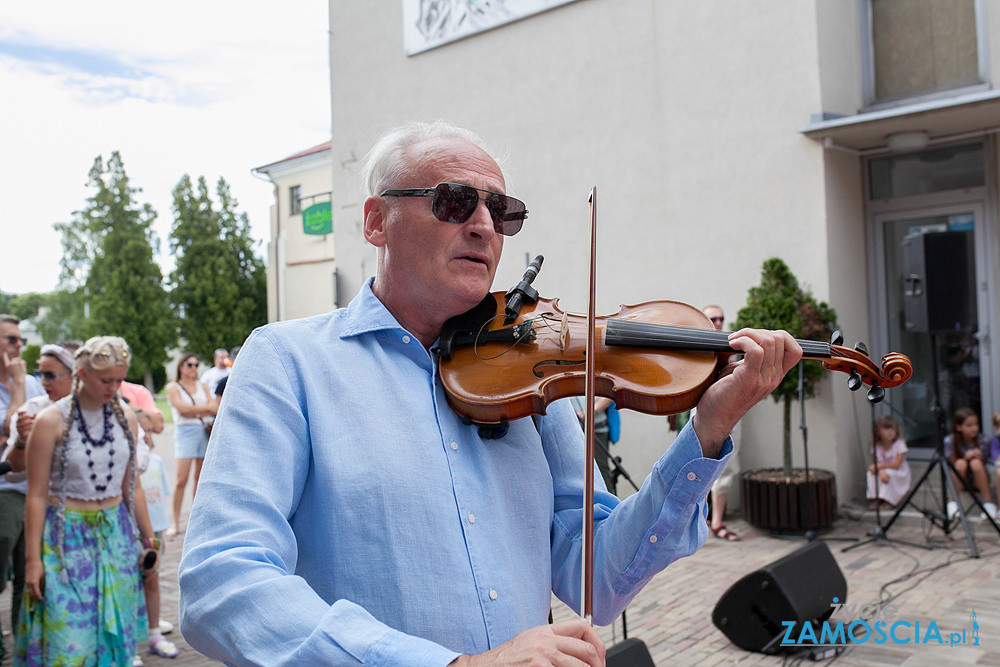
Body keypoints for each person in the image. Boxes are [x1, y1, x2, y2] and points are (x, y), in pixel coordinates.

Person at [178, 120, 801, 666]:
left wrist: (707, 432)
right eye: (454, 202)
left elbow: (600, 580)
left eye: (502, 212)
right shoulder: (290, 361)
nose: (483, 225)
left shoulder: (530, 378)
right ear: (377, 221)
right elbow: (222, 582)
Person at [16, 336, 156, 665]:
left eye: (119, 380)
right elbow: (35, 496)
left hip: (115, 534)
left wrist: (148, 537)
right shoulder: (51, 421)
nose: (114, 387)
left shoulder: (126, 418)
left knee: (114, 634)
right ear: (81, 373)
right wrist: (33, 560)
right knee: (69, 638)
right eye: (106, 380)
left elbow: (131, 485)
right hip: (65, 539)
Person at [0, 342, 78, 649]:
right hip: (34, 505)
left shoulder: (92, 409)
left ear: (74, 376)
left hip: (76, 515)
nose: (43, 382)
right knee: (28, 580)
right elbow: (14, 470)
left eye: (50, 375)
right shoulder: (33, 409)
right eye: (40, 374)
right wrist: (23, 440)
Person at [0, 316, 46, 651]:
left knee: (24, 574)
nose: (19, 346)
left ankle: (19, 643)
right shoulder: (22, 383)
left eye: (20, 340)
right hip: (4, 490)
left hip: (31, 487)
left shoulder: (34, 383)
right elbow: (9, 432)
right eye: (11, 339)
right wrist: (17, 383)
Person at [702, 305, 743, 541]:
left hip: (731, 413)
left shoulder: (732, 346)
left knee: (728, 468)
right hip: (704, 414)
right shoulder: (695, 346)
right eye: (712, 318)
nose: (718, 322)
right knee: (701, 467)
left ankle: (717, 521)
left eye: (721, 318)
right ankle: (702, 519)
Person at [165, 354, 216, 537]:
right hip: (185, 431)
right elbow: (182, 409)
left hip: (202, 430)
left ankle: (197, 520)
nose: (193, 368)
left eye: (196, 364)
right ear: (181, 366)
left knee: (199, 478)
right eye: (189, 364)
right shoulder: (173, 387)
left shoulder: (202, 386)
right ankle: (174, 521)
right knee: (181, 479)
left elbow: (214, 406)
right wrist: (204, 410)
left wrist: (197, 411)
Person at [138, 449, 178, 659]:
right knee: (129, 588)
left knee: (153, 580)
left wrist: (155, 535)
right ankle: (130, 644)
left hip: (153, 530)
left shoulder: (154, 460)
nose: (146, 437)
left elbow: (159, 498)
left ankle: (154, 632)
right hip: (128, 532)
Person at [943, 407, 997, 521]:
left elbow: (984, 465)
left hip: (978, 480)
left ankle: (988, 503)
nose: (974, 428)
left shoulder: (984, 440)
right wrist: (965, 458)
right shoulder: (950, 440)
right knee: (960, 463)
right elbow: (953, 464)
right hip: (961, 479)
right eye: (969, 425)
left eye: (976, 424)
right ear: (958, 427)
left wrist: (980, 457)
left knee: (976, 463)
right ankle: (953, 501)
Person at [570, 396, 616, 494]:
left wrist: (590, 411)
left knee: (600, 470)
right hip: (572, 430)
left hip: (597, 429)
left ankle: (608, 505)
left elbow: (610, 395)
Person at [865, 415, 911, 509]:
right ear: (878, 432)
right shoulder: (876, 446)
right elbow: (877, 463)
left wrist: (880, 468)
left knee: (888, 473)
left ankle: (890, 501)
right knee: (871, 473)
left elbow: (896, 465)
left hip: (899, 472)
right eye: (886, 429)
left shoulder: (899, 444)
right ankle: (878, 498)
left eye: (893, 429)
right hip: (884, 470)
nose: (890, 432)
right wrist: (881, 471)